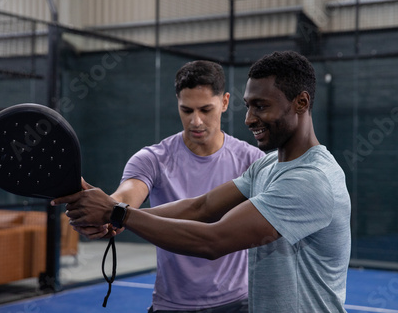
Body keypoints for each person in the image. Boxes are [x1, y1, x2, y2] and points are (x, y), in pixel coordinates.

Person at [56, 51, 351, 313]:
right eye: (248, 106)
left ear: (301, 102)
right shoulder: (268, 164)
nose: (249, 119)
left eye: (260, 106)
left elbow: (214, 240)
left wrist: (117, 213)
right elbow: (202, 207)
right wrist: (115, 212)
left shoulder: (312, 180)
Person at [73, 60, 264, 312]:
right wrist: (103, 212)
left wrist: (115, 212)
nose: (195, 121)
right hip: (172, 304)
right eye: (187, 110)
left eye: (205, 109)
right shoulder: (152, 159)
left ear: (225, 102)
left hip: (237, 302)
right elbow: (126, 197)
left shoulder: (252, 161)